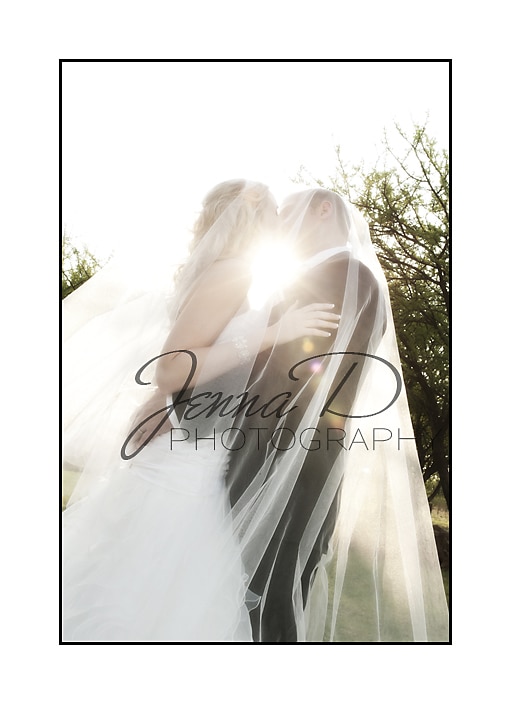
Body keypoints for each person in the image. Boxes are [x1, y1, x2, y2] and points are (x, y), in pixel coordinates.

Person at [62, 179, 338, 642]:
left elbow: (202, 364)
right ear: (252, 217)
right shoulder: (232, 273)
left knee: (156, 593)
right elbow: (171, 369)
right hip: (183, 463)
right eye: (274, 212)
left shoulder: (228, 272)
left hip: (194, 454)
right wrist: (275, 333)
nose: (281, 222)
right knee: (143, 595)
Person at [225, 188, 449, 643]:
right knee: (241, 588)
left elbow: (304, 380)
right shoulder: (324, 276)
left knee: (267, 598)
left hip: (288, 464)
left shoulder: (349, 280)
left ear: (324, 210)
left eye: (287, 212)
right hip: (281, 456)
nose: (280, 223)